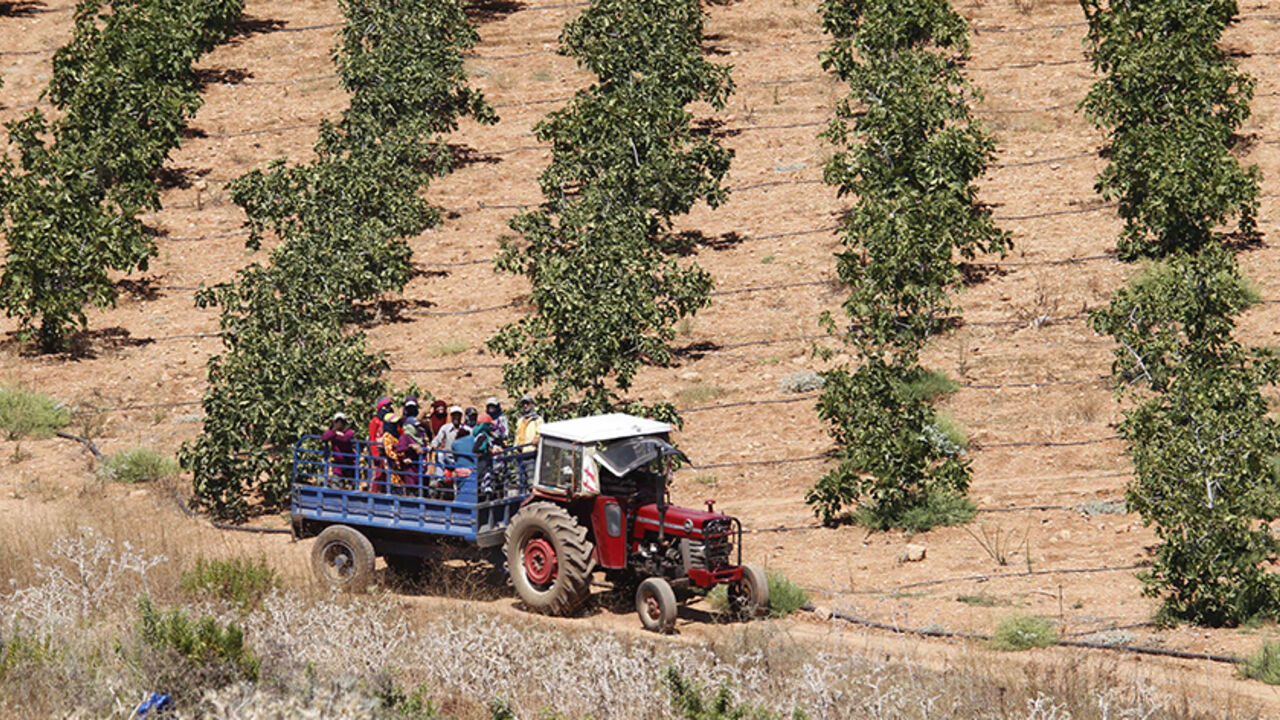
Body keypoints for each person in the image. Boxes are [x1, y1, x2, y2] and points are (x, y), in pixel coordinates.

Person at [321, 412, 356, 486]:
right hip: (338, 464)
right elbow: (324, 437)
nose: (339, 424)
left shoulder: (349, 431)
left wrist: (335, 435)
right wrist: (334, 431)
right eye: (337, 422)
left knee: (352, 485)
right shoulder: (332, 432)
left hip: (349, 463)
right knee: (336, 484)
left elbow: (345, 439)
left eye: (342, 422)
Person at [368, 396, 393, 492]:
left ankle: (384, 492)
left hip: (387, 449)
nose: (388, 408)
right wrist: (375, 454)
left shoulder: (389, 420)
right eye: (386, 406)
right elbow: (372, 437)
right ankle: (373, 492)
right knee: (377, 473)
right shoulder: (375, 421)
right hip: (378, 449)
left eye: (389, 406)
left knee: (386, 473)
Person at [380, 411, 408, 492]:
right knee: (394, 485)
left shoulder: (396, 434)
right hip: (392, 465)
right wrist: (397, 458)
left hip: (399, 466)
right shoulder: (387, 436)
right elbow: (389, 451)